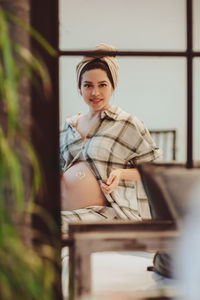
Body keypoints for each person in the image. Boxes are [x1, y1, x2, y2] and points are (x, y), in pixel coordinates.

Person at [60, 43, 161, 233]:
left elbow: (154, 171)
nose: (95, 93)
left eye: (102, 85)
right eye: (87, 85)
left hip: (105, 212)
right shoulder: (69, 125)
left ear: (113, 86)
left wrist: (121, 173)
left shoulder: (127, 123)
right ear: (79, 88)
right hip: (62, 208)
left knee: (49, 226)